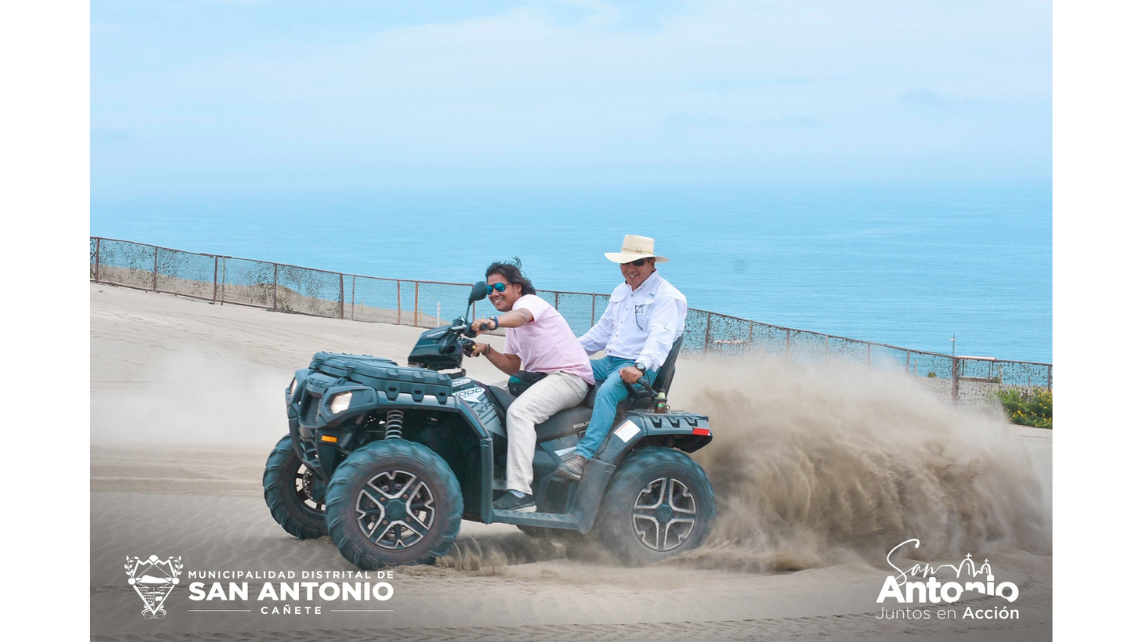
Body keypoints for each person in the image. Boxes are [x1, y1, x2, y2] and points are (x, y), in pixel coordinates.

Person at [553, 235, 687, 481]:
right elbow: (601, 332)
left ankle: (582, 457)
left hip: (638, 366)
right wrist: (567, 352)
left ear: (651, 264)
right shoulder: (621, 291)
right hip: (610, 361)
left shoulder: (667, 297)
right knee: (562, 370)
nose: (629, 269)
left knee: (608, 392)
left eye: (636, 263)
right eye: (625, 263)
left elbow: (660, 338)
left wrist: (639, 366)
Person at [468, 259, 595, 512]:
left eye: (500, 287)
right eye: (490, 290)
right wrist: (486, 349)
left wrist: (492, 323)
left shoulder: (529, 304)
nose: (494, 293)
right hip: (541, 379)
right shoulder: (511, 323)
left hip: (569, 377)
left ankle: (520, 494)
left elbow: (521, 317)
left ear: (517, 287)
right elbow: (513, 365)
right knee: (482, 397)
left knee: (520, 412)